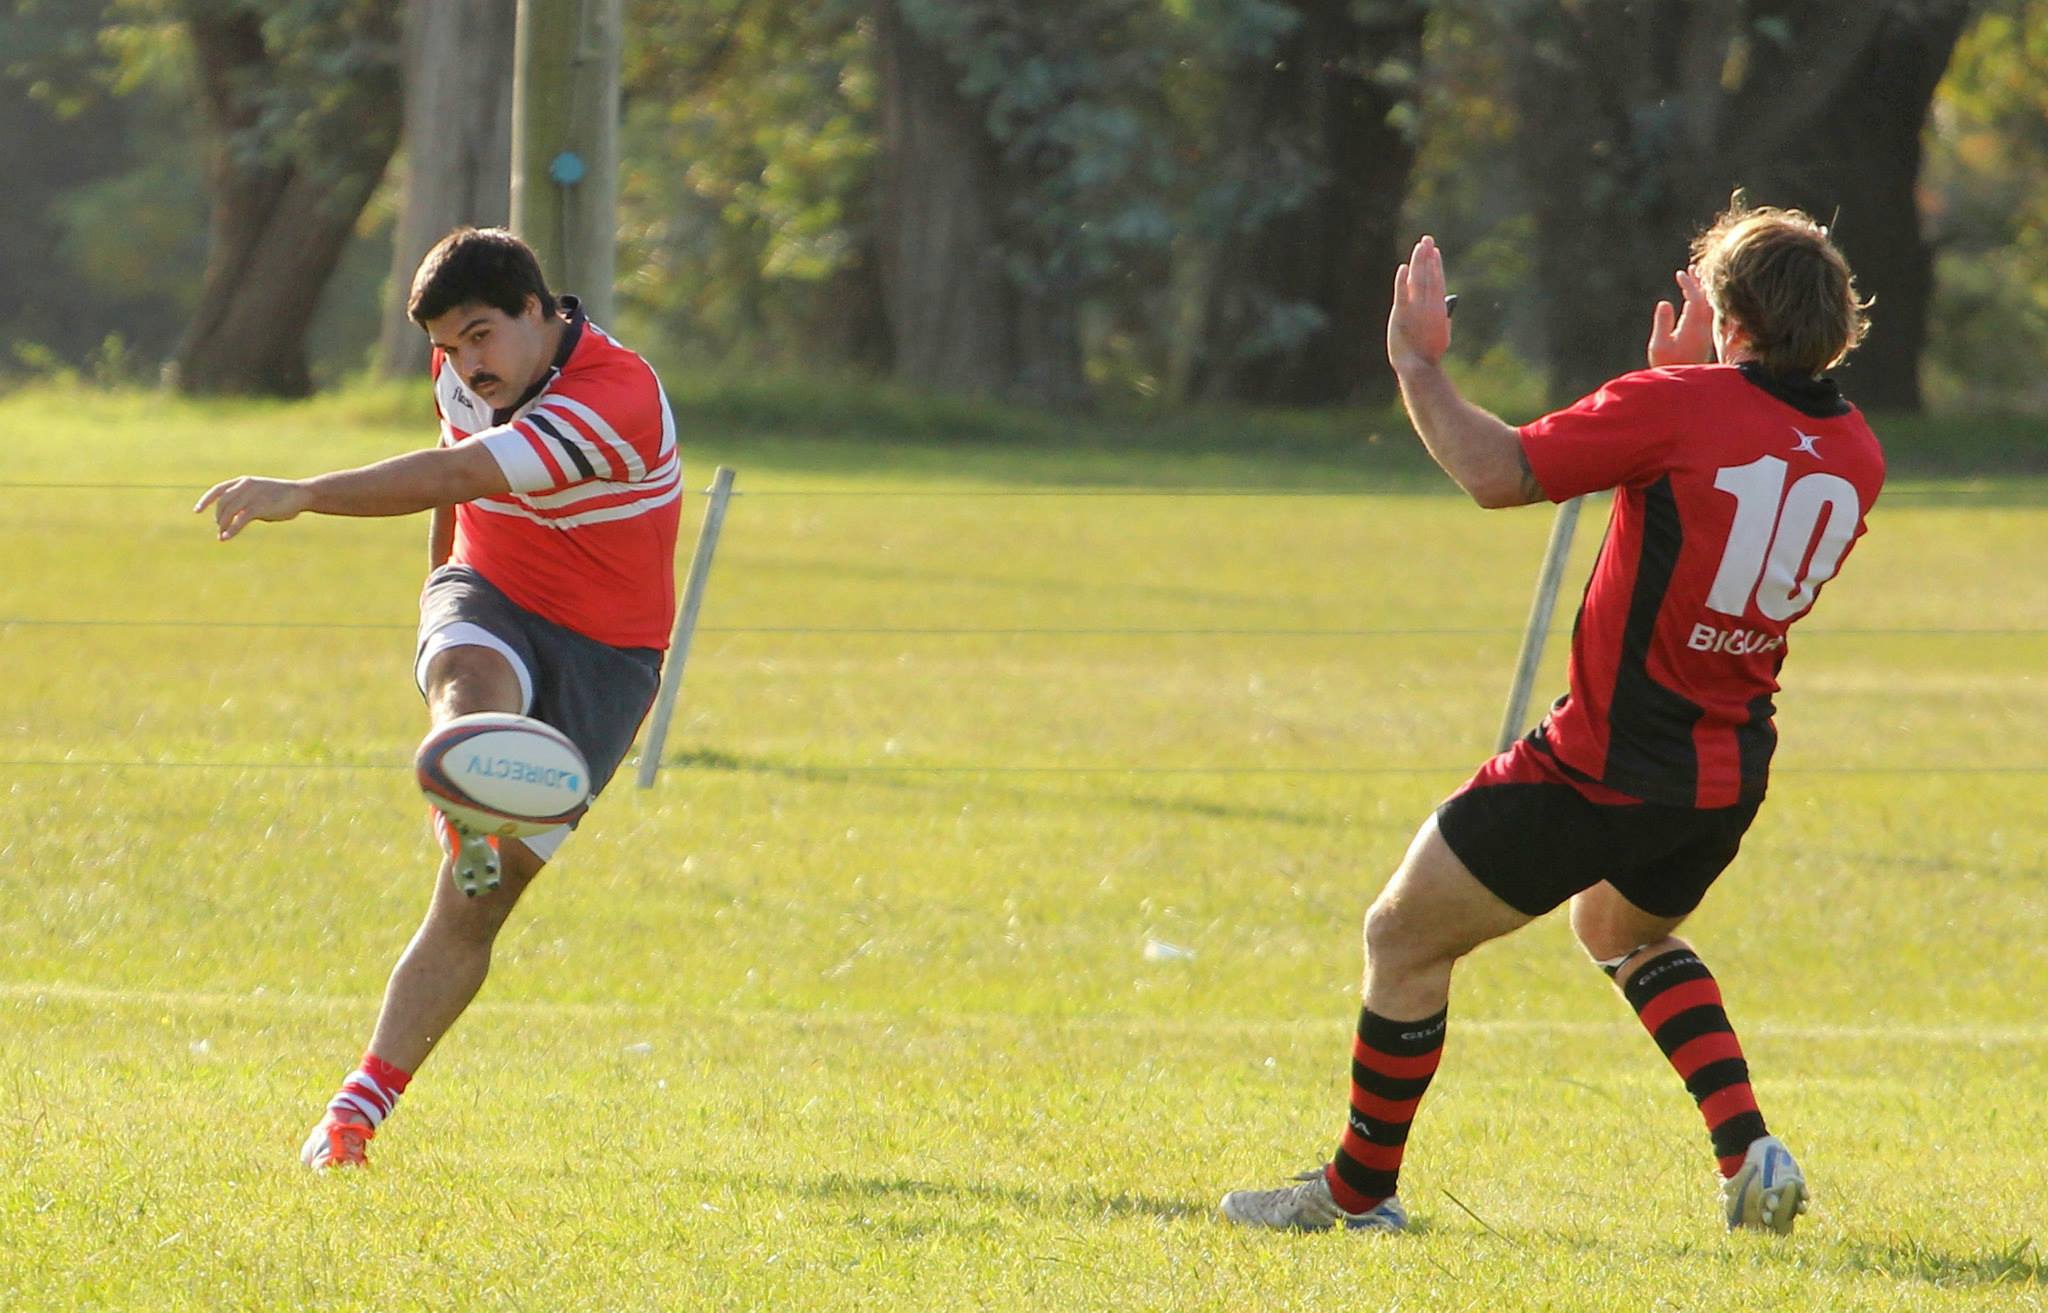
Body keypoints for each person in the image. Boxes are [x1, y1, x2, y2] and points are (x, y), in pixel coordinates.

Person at [1218, 202, 1882, 1234]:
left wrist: (1417, 367)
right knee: (1617, 926)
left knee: (1399, 935)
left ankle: (1353, 1196)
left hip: (1601, 762)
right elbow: (1733, 462)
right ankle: (1748, 1151)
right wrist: (1678, 386)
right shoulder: (1854, 450)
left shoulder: (1680, 407)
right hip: (1720, 774)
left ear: (1734, 322)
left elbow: (1497, 471)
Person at [196, 227, 683, 1169]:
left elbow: (465, 470)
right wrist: (439, 598)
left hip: (608, 657)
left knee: (476, 908)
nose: (466, 361)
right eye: (450, 345)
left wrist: (301, 492)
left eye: (483, 334)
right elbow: (455, 484)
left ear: (544, 310)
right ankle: (466, 777)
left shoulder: (618, 396)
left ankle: (360, 1104)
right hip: (493, 591)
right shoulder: (468, 371)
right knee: (470, 683)